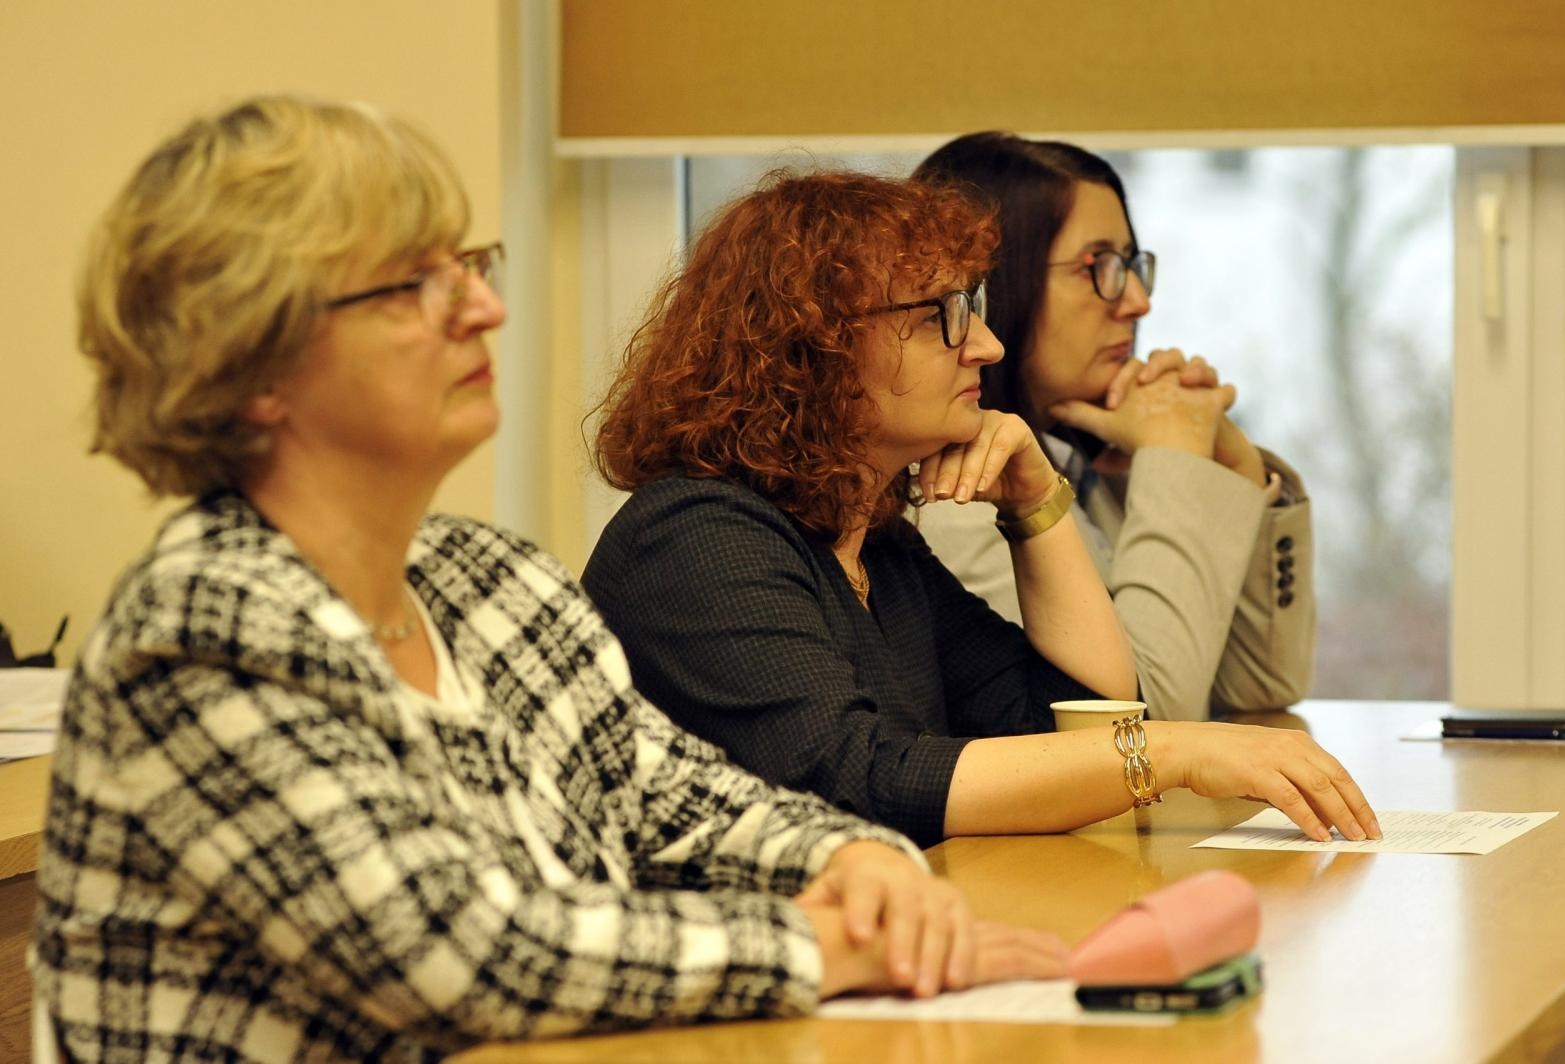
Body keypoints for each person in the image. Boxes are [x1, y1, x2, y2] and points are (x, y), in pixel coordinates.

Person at [32, 98, 1073, 1062]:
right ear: (249, 366)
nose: (482, 307)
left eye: (469, 265)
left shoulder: (492, 580)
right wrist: (826, 943)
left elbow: (686, 801)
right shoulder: (203, 621)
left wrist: (859, 864)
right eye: (412, 285)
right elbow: (459, 950)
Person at [583, 170, 1380, 851]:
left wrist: (1037, 505)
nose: (988, 346)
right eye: (943, 316)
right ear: (814, 345)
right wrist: (1171, 753)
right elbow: (856, 784)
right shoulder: (692, 538)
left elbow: (1078, 726)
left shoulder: (877, 547)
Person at [910, 132, 1315, 722]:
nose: (1136, 301)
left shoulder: (1086, 461)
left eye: (1130, 265)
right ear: (990, 285)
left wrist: (1232, 461)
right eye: (1096, 266)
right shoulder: (959, 494)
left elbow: (1261, 684)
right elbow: (1142, 721)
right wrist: (1176, 455)